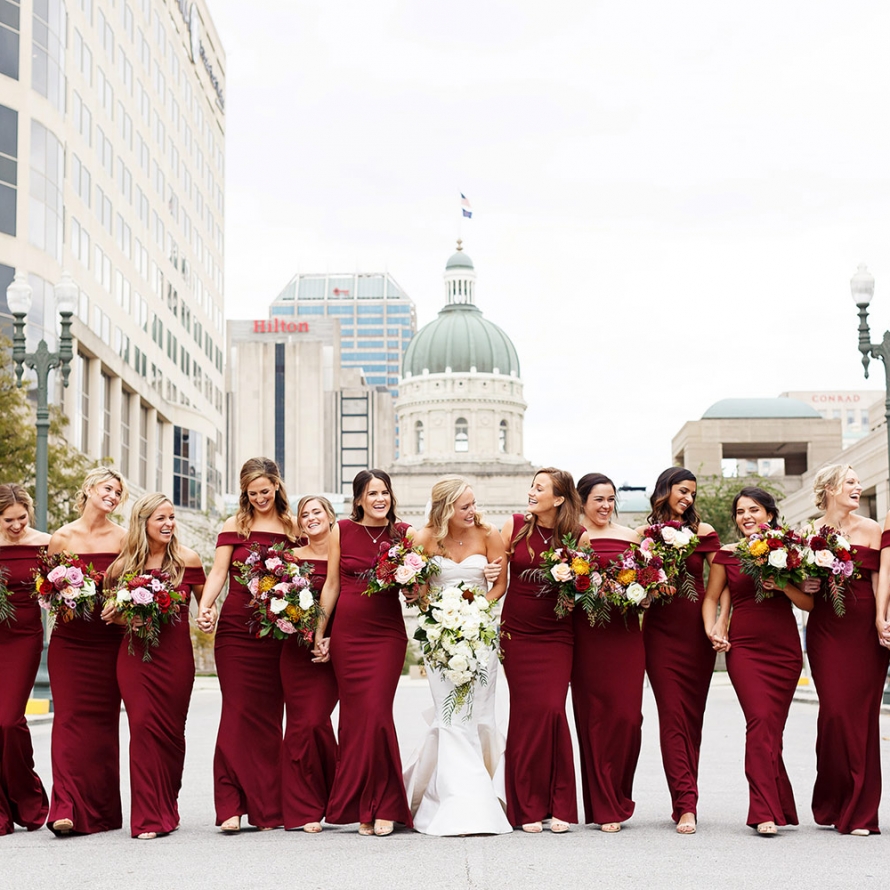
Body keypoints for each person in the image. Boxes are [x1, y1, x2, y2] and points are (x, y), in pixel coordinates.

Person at [403, 476, 511, 836]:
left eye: (473, 503)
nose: (472, 511)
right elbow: (417, 591)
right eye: (465, 506)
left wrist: (476, 612)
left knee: (479, 712)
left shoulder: (489, 533)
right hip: (440, 638)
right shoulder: (423, 539)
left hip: (481, 636)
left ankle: (484, 794)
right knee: (450, 714)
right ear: (446, 508)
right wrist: (435, 613)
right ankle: (454, 798)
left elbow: (500, 584)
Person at [197, 458, 298, 832]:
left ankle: (267, 807)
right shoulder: (234, 525)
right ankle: (230, 806)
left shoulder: (292, 527)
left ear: (276, 486)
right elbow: (218, 573)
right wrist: (205, 606)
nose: (259, 498)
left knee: (269, 718)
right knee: (236, 713)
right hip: (236, 630)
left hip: (277, 633)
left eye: (264, 491)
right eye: (252, 493)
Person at [702, 487, 810, 835]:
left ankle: (779, 807)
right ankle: (763, 811)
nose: (746, 516)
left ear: (770, 514)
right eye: (740, 511)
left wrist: (783, 585)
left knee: (772, 730)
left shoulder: (790, 551)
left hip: (784, 651)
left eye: (754, 510)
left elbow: (808, 605)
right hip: (745, 649)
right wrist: (713, 628)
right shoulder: (726, 555)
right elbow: (711, 597)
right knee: (760, 720)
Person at [314, 469, 414, 836]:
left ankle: (385, 804)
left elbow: (416, 588)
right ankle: (363, 808)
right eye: (372, 493)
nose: (379, 499)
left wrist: (413, 587)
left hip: (387, 636)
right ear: (359, 499)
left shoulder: (404, 534)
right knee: (355, 721)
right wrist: (320, 632)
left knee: (377, 714)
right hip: (348, 636)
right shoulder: (341, 530)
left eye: (384, 492)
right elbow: (332, 585)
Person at [104, 494, 205, 839]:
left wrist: (207, 617)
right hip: (136, 658)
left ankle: (168, 804)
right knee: (143, 727)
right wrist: (125, 618)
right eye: (160, 518)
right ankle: (148, 816)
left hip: (176, 659)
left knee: (172, 734)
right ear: (143, 523)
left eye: (171, 517)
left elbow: (206, 604)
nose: (168, 524)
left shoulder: (188, 560)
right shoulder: (121, 567)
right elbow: (110, 614)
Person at [803, 464, 887, 836]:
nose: (858, 487)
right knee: (834, 714)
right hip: (826, 630)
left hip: (866, 630)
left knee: (863, 718)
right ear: (830, 488)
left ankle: (861, 812)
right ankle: (832, 799)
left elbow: (881, 578)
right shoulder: (808, 533)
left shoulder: (873, 529)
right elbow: (802, 586)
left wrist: (882, 618)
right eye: (850, 482)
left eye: (858, 482)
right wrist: (804, 583)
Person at [46, 466, 128, 835]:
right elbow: (49, 592)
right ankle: (64, 807)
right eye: (107, 488)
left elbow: (129, 588)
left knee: (103, 724)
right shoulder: (61, 538)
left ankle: (101, 812)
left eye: (118, 493)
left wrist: (120, 607)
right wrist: (62, 600)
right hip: (70, 641)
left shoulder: (125, 538)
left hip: (109, 640)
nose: (112, 496)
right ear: (90, 488)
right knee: (67, 720)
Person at [638, 467, 720, 834]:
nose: (687, 498)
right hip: (660, 635)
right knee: (672, 717)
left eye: (692, 494)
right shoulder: (644, 537)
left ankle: (687, 796)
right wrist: (646, 592)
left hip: (697, 632)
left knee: (692, 719)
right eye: (682, 491)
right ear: (665, 490)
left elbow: (722, 583)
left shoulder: (704, 533)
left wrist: (718, 623)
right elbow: (633, 584)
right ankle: (686, 804)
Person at [499, 468, 579, 833]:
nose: (532, 492)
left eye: (540, 488)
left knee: (552, 711)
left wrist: (578, 587)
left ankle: (559, 804)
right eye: (532, 486)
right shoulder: (514, 526)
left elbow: (583, 587)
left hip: (556, 635)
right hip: (517, 634)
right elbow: (499, 579)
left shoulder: (577, 535)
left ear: (559, 498)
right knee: (525, 715)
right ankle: (526, 807)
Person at [573, 472, 643, 833]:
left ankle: (619, 793)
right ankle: (604, 806)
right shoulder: (571, 537)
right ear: (582, 501)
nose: (606, 506)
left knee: (629, 719)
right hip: (586, 636)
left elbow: (649, 583)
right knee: (595, 719)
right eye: (598, 499)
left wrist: (646, 592)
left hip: (626, 634)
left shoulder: (632, 537)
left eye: (611, 499)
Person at [280, 495, 339, 832]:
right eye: (305, 514)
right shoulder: (291, 558)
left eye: (317, 512)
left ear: (330, 516)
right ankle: (303, 808)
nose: (311, 518)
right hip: (295, 650)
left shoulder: (343, 554)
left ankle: (333, 793)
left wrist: (333, 639)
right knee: (300, 725)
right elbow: (277, 601)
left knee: (316, 722)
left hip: (333, 648)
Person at [0, 484, 50, 835]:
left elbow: (64, 586)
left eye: (22, 517)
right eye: (8, 520)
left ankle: (27, 797)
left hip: (24, 637)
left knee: (7, 721)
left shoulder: (46, 543)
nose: (17, 525)